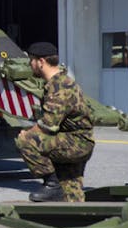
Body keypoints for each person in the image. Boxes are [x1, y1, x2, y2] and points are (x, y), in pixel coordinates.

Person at [15, 42, 95, 202]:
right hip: (75, 141)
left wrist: (27, 134)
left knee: (25, 141)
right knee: (71, 195)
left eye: (32, 61)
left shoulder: (59, 86)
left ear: (41, 62)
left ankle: (52, 185)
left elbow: (47, 125)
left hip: (75, 143)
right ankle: (75, 220)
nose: (30, 65)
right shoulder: (61, 81)